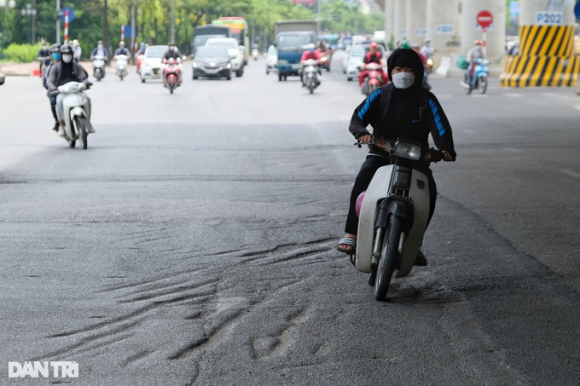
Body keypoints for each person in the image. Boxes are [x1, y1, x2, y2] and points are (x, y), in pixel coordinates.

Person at [336, 48, 456, 265]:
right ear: (390, 71)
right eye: (398, 69)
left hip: (416, 157)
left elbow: (440, 127)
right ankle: (351, 233)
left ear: (417, 73)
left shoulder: (427, 99)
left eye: (408, 69)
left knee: (430, 191)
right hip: (382, 152)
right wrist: (362, 133)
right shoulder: (380, 94)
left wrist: (445, 148)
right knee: (363, 177)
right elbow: (358, 118)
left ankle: (415, 243)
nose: (403, 73)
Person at [48, 44, 95, 137]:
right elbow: (50, 82)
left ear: (72, 54)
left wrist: (85, 83)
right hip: (62, 92)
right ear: (61, 54)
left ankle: (88, 123)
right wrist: (53, 88)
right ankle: (61, 125)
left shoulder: (76, 66)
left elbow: (84, 77)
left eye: (69, 53)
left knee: (87, 99)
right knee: (59, 101)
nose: (67, 55)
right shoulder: (55, 67)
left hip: (76, 90)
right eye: (65, 53)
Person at [44, 43, 61, 132]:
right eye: (54, 52)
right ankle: (57, 120)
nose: (56, 54)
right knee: (53, 101)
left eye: (58, 52)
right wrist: (53, 88)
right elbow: (47, 82)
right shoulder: (50, 67)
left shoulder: (69, 65)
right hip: (55, 90)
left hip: (68, 90)